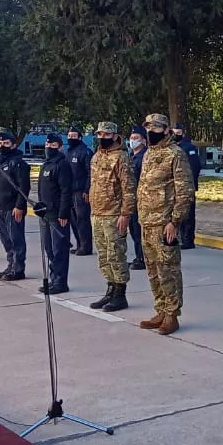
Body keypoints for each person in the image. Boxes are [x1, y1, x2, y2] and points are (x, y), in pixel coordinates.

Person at [135, 113, 194, 336]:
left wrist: (174, 221)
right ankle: (160, 309)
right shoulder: (150, 154)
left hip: (164, 223)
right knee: (152, 269)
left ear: (166, 131)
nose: (151, 132)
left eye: (156, 128)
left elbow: (185, 191)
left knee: (168, 269)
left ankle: (172, 315)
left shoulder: (175, 155)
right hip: (147, 221)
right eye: (149, 127)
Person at [87, 121, 136, 312]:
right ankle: (110, 289)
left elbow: (128, 188)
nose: (102, 138)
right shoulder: (97, 155)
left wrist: (125, 213)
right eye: (100, 134)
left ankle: (120, 294)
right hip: (97, 213)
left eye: (107, 135)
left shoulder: (122, 157)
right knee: (103, 255)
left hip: (114, 214)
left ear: (115, 136)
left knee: (116, 254)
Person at [0, 128, 31, 281]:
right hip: (1, 206)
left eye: (6, 143)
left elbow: (23, 187)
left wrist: (20, 206)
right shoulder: (1, 160)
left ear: (14, 145)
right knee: (6, 239)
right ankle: (11, 265)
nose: (2, 146)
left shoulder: (18, 163)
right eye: (0, 143)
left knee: (16, 239)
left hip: (13, 207)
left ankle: (18, 269)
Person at [36, 133, 73, 294]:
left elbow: (66, 191)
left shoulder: (62, 164)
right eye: (47, 145)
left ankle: (60, 282)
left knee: (59, 249)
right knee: (49, 248)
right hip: (45, 214)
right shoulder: (46, 164)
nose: (48, 148)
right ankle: (53, 278)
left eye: (53, 146)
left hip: (58, 215)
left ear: (59, 147)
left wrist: (64, 214)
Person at [171, 122, 202, 248]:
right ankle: (178, 237)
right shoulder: (171, 147)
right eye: (174, 133)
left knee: (188, 214)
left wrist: (189, 184)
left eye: (178, 133)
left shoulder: (189, 148)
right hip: (173, 186)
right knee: (176, 213)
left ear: (183, 133)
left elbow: (195, 167)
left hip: (186, 186)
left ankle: (188, 240)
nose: (176, 135)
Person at [65, 126, 94, 256]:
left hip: (80, 191)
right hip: (70, 191)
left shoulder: (85, 152)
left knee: (82, 219)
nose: (71, 138)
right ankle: (79, 244)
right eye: (69, 136)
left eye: (74, 136)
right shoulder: (68, 152)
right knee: (74, 220)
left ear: (80, 137)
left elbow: (90, 173)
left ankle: (86, 246)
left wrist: (87, 190)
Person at [128, 126, 147, 270]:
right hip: (131, 200)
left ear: (144, 141)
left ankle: (143, 258)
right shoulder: (131, 157)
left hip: (141, 200)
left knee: (139, 230)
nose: (133, 141)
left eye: (136, 138)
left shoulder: (144, 158)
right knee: (134, 230)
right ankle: (138, 256)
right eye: (132, 138)